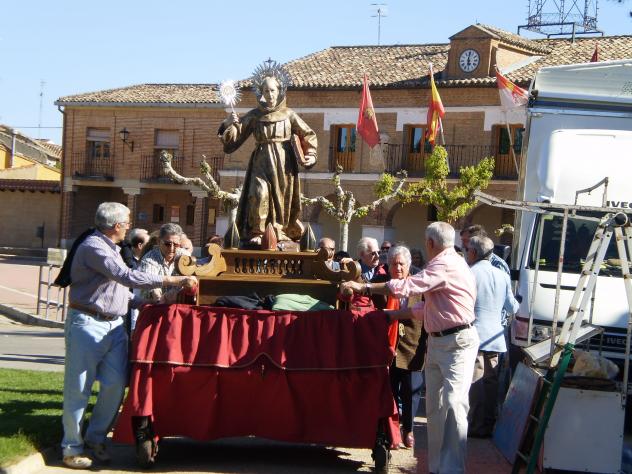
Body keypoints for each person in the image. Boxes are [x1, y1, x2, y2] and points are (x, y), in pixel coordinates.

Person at [61, 203, 197, 469]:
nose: (128, 227)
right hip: (87, 323)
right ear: (116, 226)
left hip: (114, 326)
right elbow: (126, 277)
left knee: (116, 384)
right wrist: (173, 281)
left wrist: (150, 304)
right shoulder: (94, 247)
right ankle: (71, 448)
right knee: (78, 388)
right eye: (126, 222)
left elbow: (121, 293)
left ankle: (95, 439)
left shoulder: (111, 247)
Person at [342, 222, 479, 474]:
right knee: (435, 408)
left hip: (456, 342)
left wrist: (365, 287)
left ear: (430, 243)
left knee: (453, 405)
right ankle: (438, 468)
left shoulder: (444, 264)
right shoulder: (452, 263)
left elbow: (406, 286)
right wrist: (391, 315)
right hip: (440, 341)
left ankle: (451, 470)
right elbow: (423, 309)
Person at [219, 60, 317, 246]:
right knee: (259, 193)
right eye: (266, 91)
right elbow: (235, 138)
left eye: (273, 90)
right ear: (261, 93)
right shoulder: (255, 115)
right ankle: (258, 231)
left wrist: (310, 154)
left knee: (282, 200)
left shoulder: (289, 114)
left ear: (279, 91)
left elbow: (308, 134)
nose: (270, 94)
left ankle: (280, 231)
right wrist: (229, 124)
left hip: (284, 164)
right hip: (261, 161)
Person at [465, 236, 520, 438]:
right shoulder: (502, 275)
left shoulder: (469, 273)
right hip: (495, 337)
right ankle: (488, 424)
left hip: (475, 335)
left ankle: (475, 425)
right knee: (490, 383)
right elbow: (512, 307)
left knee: (476, 383)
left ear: (473, 252)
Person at [386, 246, 426, 450]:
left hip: (413, 347)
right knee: (390, 392)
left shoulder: (420, 287)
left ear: (409, 265)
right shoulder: (385, 287)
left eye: (401, 264)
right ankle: (392, 432)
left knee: (411, 392)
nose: (398, 268)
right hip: (389, 349)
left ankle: (408, 429)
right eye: (394, 264)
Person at [138, 223, 186, 307]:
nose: (171, 248)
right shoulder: (149, 258)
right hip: (155, 306)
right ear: (158, 241)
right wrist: (160, 298)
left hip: (178, 307)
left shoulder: (185, 256)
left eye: (176, 244)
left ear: (180, 243)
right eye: (167, 244)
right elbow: (151, 283)